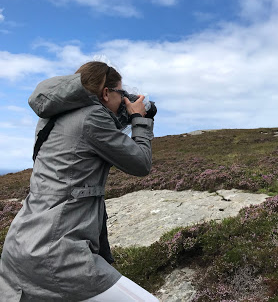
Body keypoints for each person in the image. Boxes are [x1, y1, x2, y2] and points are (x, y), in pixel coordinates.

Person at [0, 61, 159, 301]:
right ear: (106, 93)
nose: (124, 99)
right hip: (58, 255)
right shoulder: (93, 117)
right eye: (121, 93)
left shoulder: (52, 117)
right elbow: (140, 163)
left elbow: (93, 135)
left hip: (22, 243)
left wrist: (124, 112)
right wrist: (138, 119)